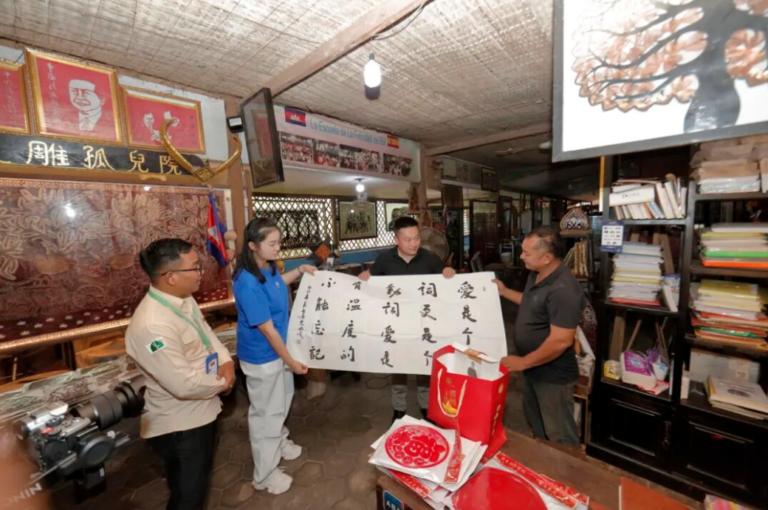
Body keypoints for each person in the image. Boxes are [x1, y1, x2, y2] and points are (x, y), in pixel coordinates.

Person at [126, 239, 236, 510]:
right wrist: (223, 383)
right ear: (171, 277)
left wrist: (225, 360)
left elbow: (206, 333)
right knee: (188, 496)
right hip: (181, 424)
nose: (200, 272)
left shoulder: (183, 299)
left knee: (195, 485)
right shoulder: (152, 325)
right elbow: (183, 384)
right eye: (195, 267)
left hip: (202, 409)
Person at [233, 218, 317, 495]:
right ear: (253, 245)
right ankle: (264, 474)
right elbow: (267, 331)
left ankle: (280, 443)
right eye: (272, 243)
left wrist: (300, 270)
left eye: (279, 242)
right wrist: (292, 362)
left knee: (282, 401)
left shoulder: (267, 267)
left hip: (280, 349)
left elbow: (278, 283)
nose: (278, 247)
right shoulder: (246, 281)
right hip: (263, 356)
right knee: (266, 414)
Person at [493, 226, 585, 445]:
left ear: (546, 258)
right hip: (534, 369)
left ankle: (564, 467)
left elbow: (561, 341)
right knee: (538, 424)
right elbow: (532, 303)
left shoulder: (564, 289)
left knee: (559, 434)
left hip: (552, 376)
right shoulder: (537, 274)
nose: (521, 256)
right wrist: (505, 292)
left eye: (527, 253)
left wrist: (523, 362)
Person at [359, 216, 456, 422]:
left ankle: (425, 407)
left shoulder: (430, 259)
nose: (414, 244)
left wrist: (448, 273)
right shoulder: (384, 260)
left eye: (417, 238)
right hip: (397, 326)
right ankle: (399, 409)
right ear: (396, 240)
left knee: (424, 366)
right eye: (408, 239)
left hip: (424, 324)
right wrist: (365, 277)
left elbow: (445, 282)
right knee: (398, 367)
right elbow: (370, 283)